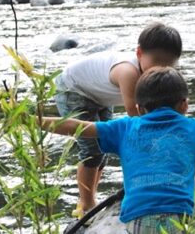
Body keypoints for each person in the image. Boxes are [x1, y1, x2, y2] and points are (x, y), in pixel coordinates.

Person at [42, 66, 195, 233]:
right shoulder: (191, 127)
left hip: (136, 219)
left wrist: (36, 121)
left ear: (139, 107)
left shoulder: (126, 126)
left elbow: (80, 127)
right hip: (180, 216)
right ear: (184, 104)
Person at [55, 22, 182, 217]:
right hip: (74, 89)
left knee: (103, 147)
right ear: (139, 53)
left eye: (168, 64)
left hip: (99, 94)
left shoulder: (162, 76)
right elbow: (136, 114)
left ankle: (90, 196)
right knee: (91, 150)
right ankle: (86, 206)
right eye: (156, 60)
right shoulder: (128, 72)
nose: (160, 68)